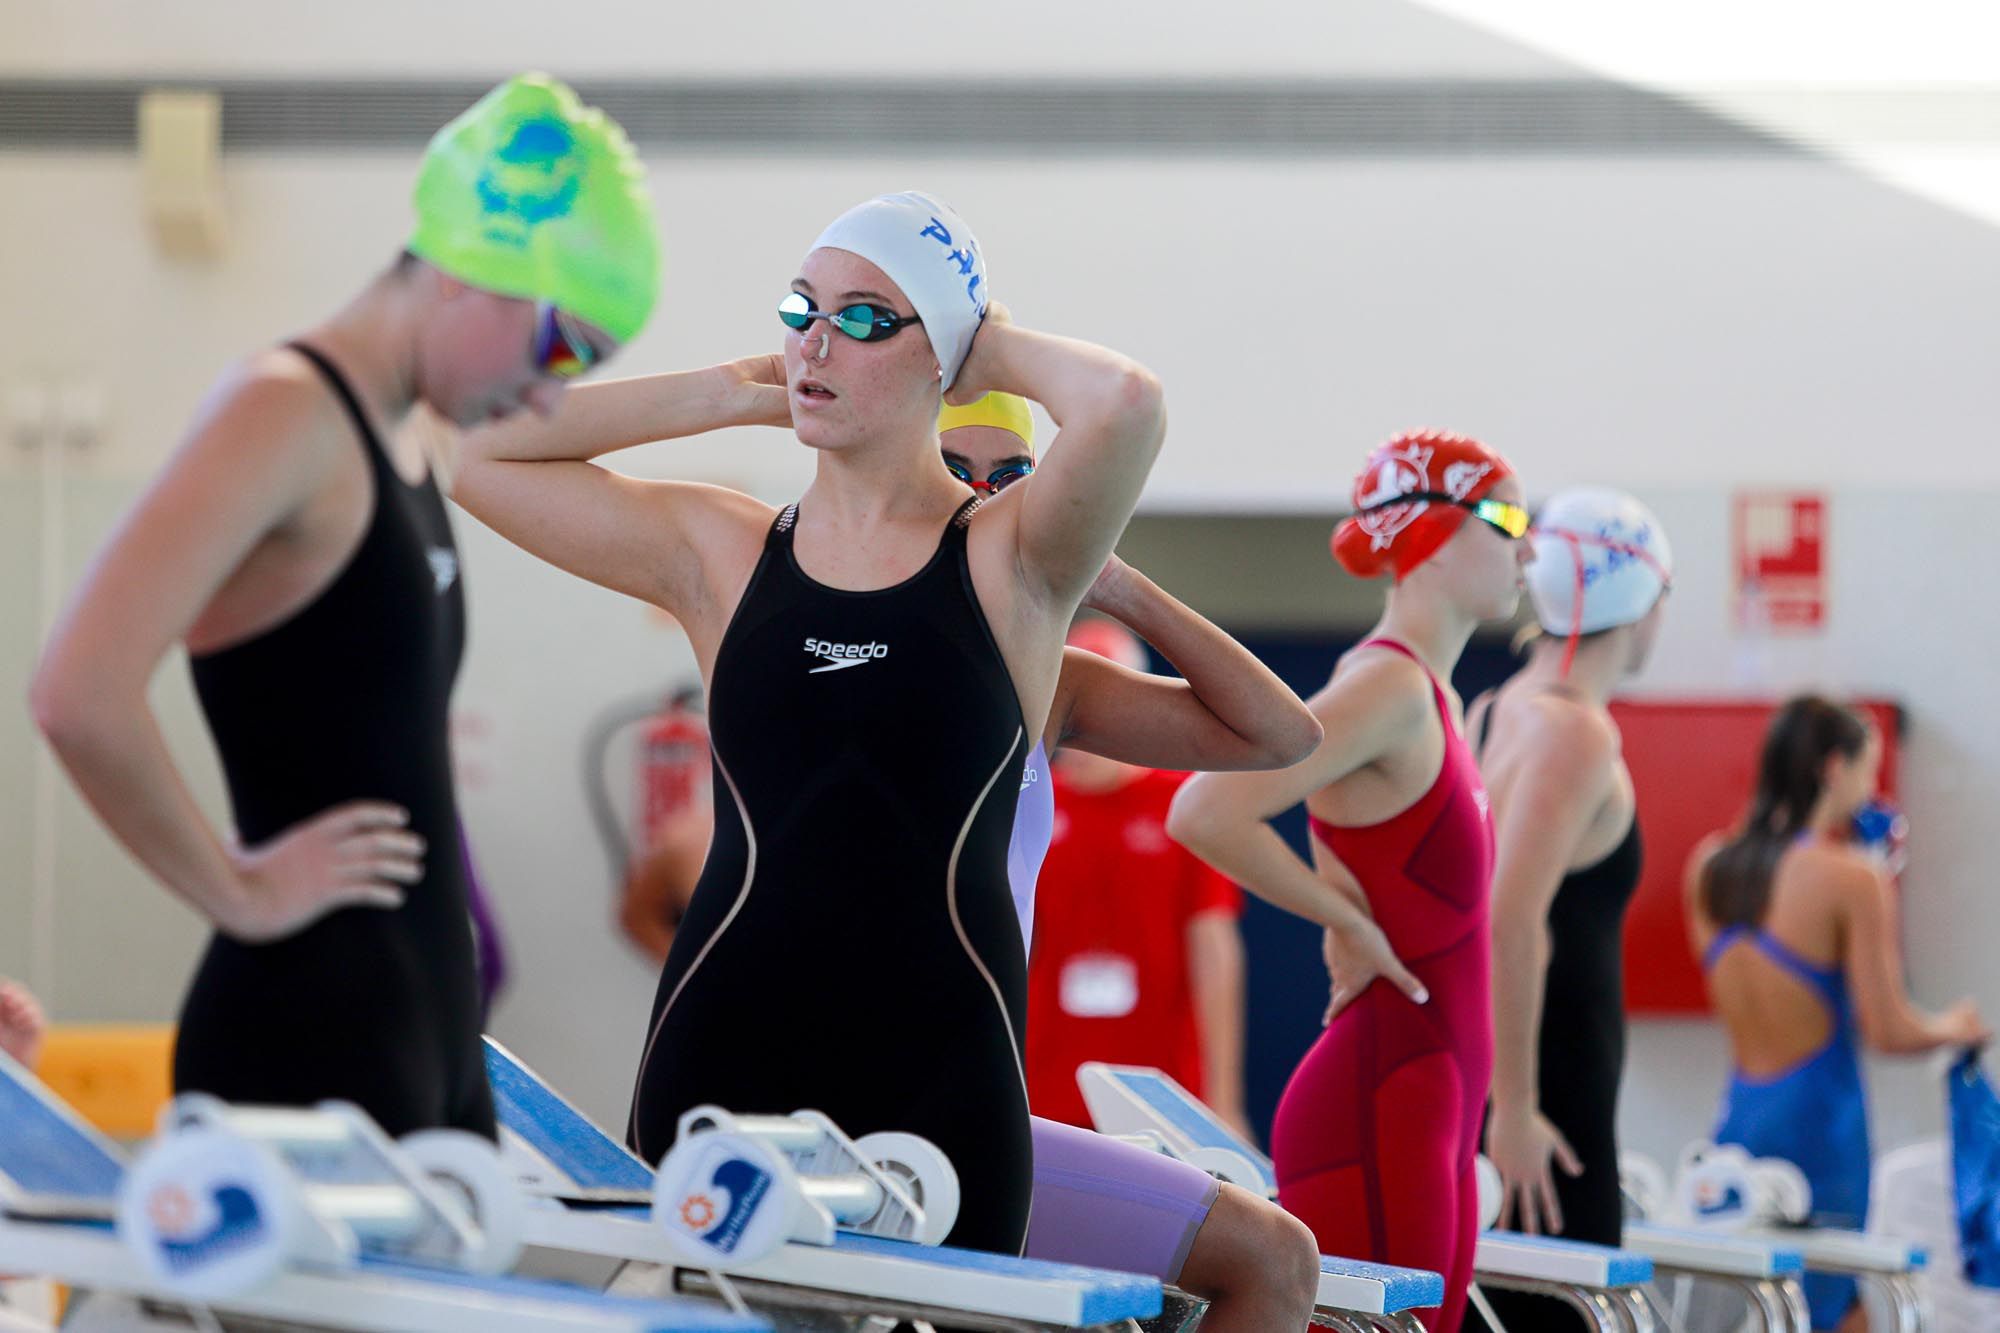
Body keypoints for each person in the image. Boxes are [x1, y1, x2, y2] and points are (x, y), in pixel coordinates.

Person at [452, 191, 1167, 1255]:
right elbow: (472, 451)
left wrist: (990, 347)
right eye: (801, 310)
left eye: (868, 316)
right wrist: (739, 391)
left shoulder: (1011, 560)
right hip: (722, 1048)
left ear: (949, 355)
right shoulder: (721, 552)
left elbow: (1124, 403)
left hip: (943, 1076)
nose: (818, 340)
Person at [29, 74, 659, 1137]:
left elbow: (533, 434)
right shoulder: (285, 411)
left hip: (422, 1029)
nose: (553, 394)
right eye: (560, 349)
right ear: (472, 269)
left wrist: (742, 390)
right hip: (302, 1031)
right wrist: (235, 887)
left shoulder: (414, 431)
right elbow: (76, 691)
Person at [1169, 431, 1532, 1332]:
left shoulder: (1436, 699)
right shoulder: (1389, 689)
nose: (1528, 547)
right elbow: (1204, 809)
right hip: (1381, 1093)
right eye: (1511, 517)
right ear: (1437, 534)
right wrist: (1343, 918)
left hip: (1432, 1094)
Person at [1688, 696, 1989, 1331]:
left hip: (1739, 1121)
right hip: (1821, 1135)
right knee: (1838, 1309)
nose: (1870, 788)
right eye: (1865, 770)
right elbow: (1890, 1029)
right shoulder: (1852, 879)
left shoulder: (1709, 868)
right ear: (1833, 768)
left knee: (1758, 1306)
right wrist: (1957, 1027)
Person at [1465, 487, 1671, 1333]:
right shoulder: (1575, 732)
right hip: (1550, 1107)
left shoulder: (1496, 707)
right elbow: (1512, 918)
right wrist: (1515, 1107)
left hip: (1516, 1088)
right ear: (1640, 598)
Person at [1025, 618, 1251, 1137]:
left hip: (1161, 1084)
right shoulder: (1031, 799)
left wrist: (1226, 1100)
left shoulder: (1182, 804)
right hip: (1045, 1079)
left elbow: (1213, 952)